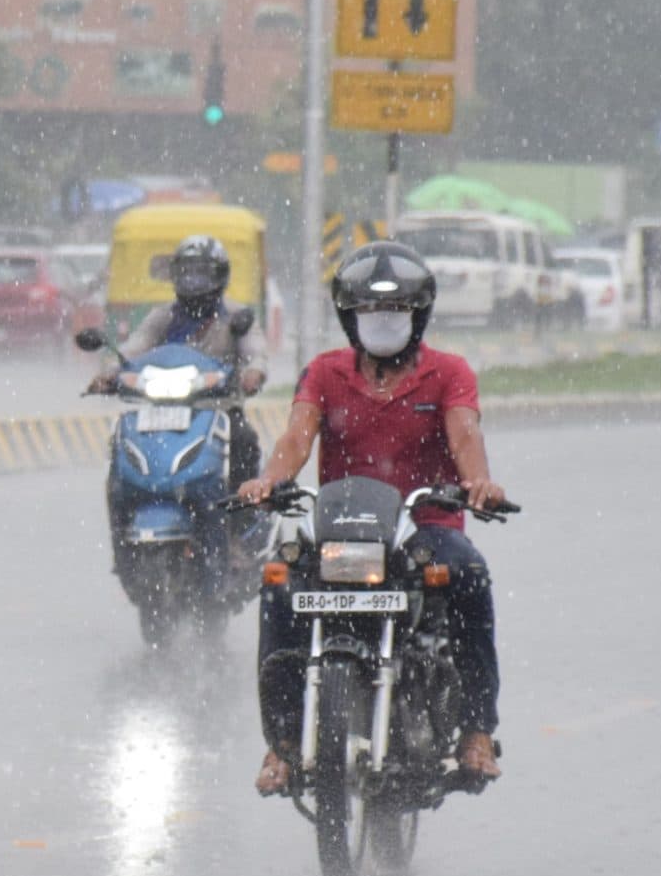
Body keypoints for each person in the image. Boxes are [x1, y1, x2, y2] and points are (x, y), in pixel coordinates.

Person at [233, 241, 510, 792]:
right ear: (349, 317)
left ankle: (476, 729)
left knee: (470, 577)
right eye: (370, 312)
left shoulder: (450, 373)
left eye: (395, 312)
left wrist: (477, 482)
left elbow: (465, 435)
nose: (382, 323)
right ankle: (283, 745)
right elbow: (295, 437)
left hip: (425, 529)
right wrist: (269, 480)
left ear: (419, 315)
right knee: (278, 588)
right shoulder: (325, 372)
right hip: (341, 529)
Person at [89, 233, 270, 482]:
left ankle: (244, 511)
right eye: (187, 272)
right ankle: (126, 509)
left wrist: (254, 373)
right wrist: (109, 372)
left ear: (220, 275)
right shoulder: (164, 316)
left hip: (218, 408)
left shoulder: (237, 316)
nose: (194, 281)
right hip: (162, 410)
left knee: (243, 440)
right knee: (122, 441)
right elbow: (134, 348)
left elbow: (256, 351)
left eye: (202, 273)